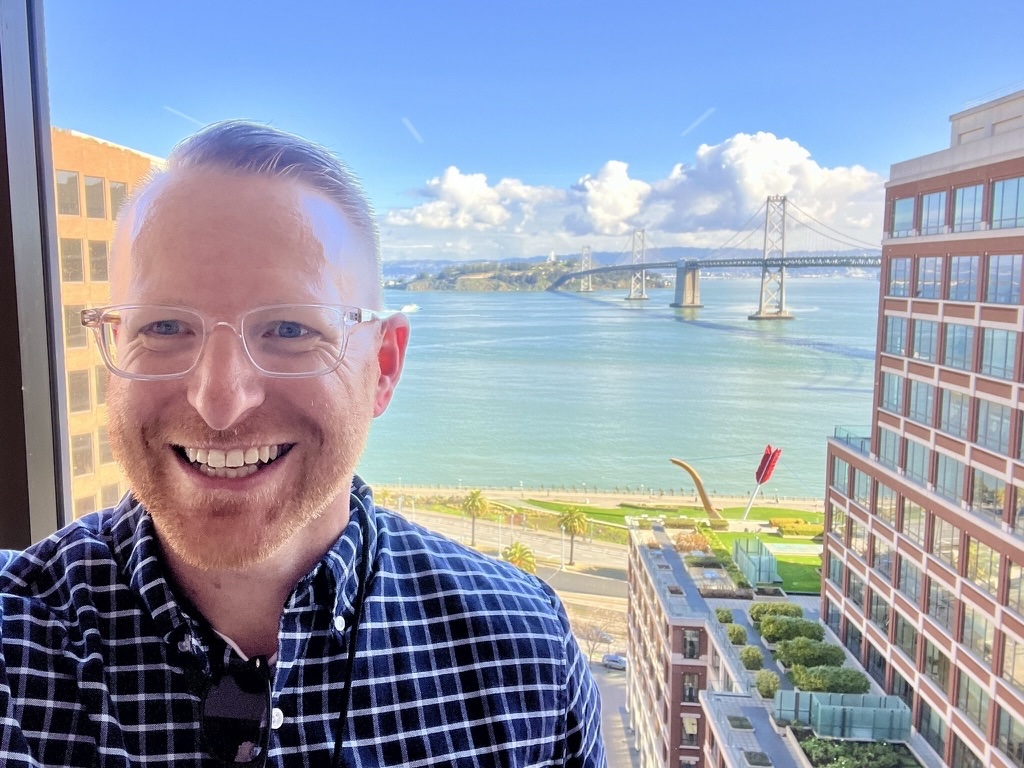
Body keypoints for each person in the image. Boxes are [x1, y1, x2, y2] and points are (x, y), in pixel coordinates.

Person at [0, 121, 606, 767]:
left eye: (290, 328)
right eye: (166, 326)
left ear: (384, 368)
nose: (220, 400)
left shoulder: (523, 651)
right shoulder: (18, 644)